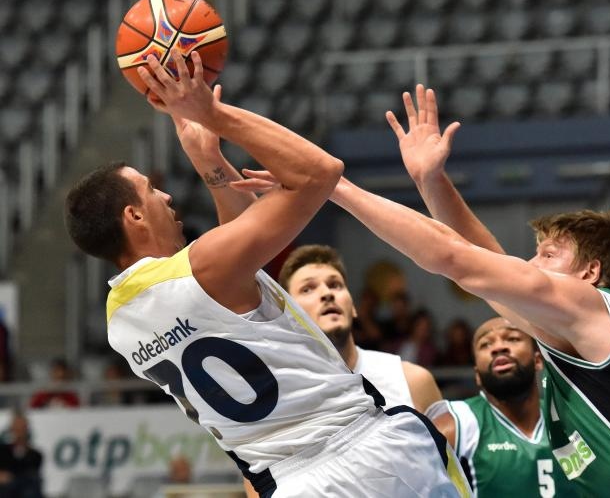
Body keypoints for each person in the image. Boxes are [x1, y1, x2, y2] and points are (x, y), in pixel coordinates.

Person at [234, 84, 610, 496]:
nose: (529, 265)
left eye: (548, 255)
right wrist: (432, 183)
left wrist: (334, 187)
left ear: (591, 273)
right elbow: (485, 261)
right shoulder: (577, 339)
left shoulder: (594, 308)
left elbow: (458, 260)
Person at [64, 54, 469, 498]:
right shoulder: (201, 268)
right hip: (366, 455)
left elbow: (239, 261)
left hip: (288, 483)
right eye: (149, 189)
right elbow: (320, 172)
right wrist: (213, 115)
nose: (164, 194)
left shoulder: (119, 320)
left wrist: (209, 161)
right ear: (134, 215)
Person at [277, 244, 443, 412]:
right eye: (307, 289)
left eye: (335, 285)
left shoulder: (411, 381)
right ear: (288, 317)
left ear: (353, 308)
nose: (327, 293)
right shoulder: (281, 399)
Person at [430, 317, 579, 497]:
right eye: (485, 344)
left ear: (538, 360)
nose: (498, 347)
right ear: (477, 374)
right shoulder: (455, 425)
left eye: (512, 338)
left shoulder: (569, 421)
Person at [0, 411, 43, 498]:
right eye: (16, 427)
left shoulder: (35, 455)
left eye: (22, 427)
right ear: (11, 429)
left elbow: (30, 474)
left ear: (26, 429)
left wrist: (11, 477)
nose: (19, 431)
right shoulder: (2, 451)